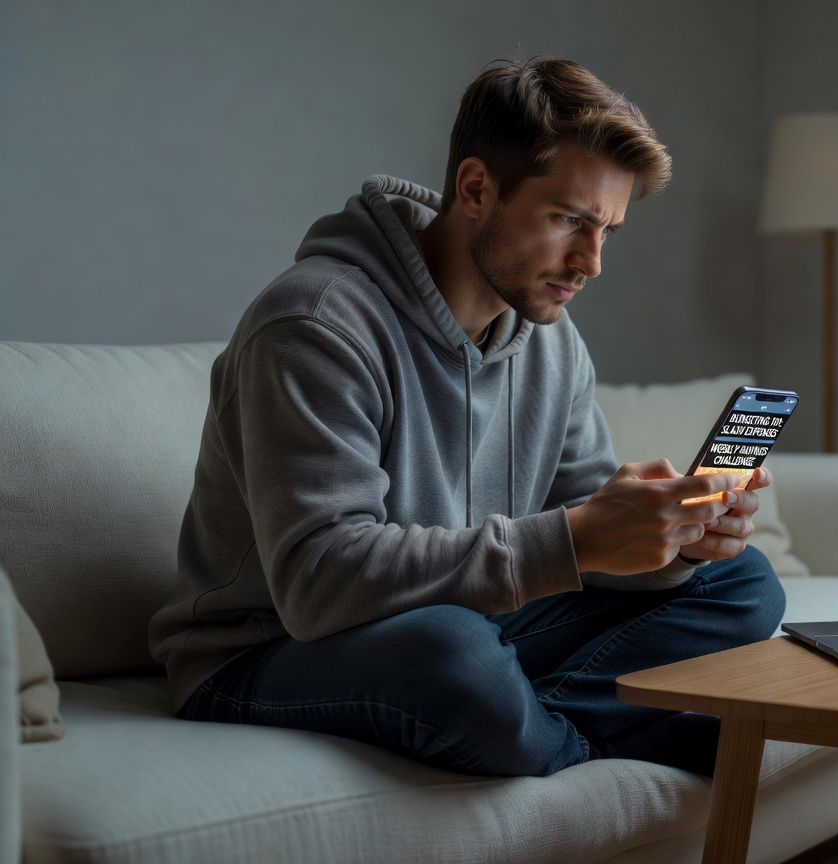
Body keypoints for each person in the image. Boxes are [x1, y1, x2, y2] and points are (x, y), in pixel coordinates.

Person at [148, 56, 784, 778]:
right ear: (477, 188)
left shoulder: (553, 344)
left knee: (743, 584)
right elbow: (319, 582)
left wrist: (670, 544)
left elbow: (580, 538)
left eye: (607, 231)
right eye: (570, 220)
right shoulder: (315, 323)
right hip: (262, 652)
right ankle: (592, 738)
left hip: (466, 621)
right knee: (452, 657)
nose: (591, 262)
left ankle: (533, 730)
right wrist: (576, 539)